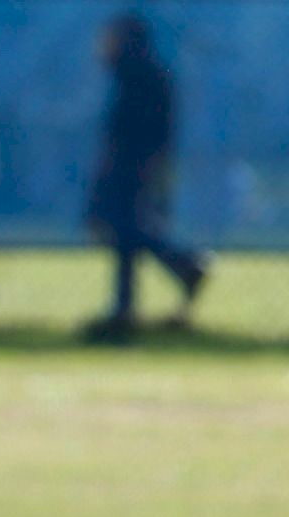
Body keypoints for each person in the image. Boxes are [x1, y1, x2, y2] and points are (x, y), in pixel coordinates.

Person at [83, 12, 208, 341]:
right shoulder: (146, 76)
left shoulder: (135, 78)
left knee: (126, 232)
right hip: (143, 166)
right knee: (127, 234)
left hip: (131, 167)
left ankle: (178, 266)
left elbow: (125, 133)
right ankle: (136, 299)